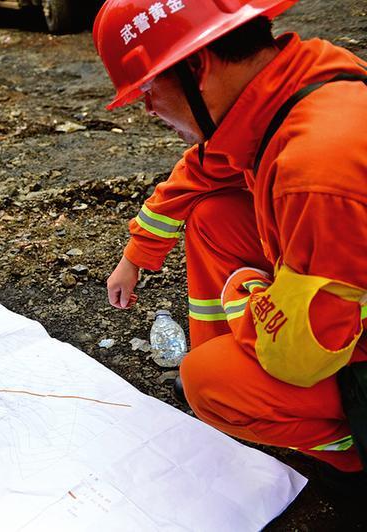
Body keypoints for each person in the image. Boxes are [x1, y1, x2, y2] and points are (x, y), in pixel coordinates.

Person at [95, 0, 367, 489]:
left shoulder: (315, 168)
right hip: (338, 288)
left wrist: (249, 297)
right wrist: (136, 253)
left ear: (199, 66)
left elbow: (301, 355)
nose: (149, 108)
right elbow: (202, 167)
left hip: (329, 339)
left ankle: (352, 447)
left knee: (208, 382)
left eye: (149, 89)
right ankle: (230, 362)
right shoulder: (293, 91)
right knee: (213, 216)